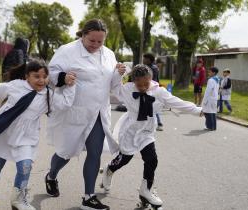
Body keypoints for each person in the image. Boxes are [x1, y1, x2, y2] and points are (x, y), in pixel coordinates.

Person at [44, 19, 126, 210]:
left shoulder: (109, 54)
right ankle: (51, 175)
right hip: (76, 111)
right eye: (92, 41)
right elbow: (50, 74)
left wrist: (119, 73)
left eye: (100, 41)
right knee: (66, 152)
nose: (96, 45)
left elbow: (111, 84)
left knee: (95, 152)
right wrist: (63, 77)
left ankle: (89, 197)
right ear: (83, 35)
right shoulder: (67, 51)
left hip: (98, 112)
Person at [0, 60, 76, 210]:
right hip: (6, 131)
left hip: (26, 137)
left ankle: (18, 199)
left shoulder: (48, 94)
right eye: (36, 76)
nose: (41, 80)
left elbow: (66, 103)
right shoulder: (16, 86)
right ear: (27, 76)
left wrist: (71, 86)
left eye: (44, 76)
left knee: (25, 166)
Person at [100, 64, 202, 208]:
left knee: (152, 159)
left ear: (151, 79)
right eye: (139, 84)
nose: (142, 87)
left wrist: (197, 110)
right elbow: (114, 87)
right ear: (133, 81)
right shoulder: (127, 89)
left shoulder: (159, 92)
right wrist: (118, 74)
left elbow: (176, 102)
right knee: (125, 159)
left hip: (146, 132)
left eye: (145, 84)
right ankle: (109, 169)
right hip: (130, 131)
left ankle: (146, 190)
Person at [143, 53, 163, 131]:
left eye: (144, 58)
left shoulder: (153, 68)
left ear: (148, 59)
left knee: (153, 107)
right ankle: (147, 124)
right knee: (149, 107)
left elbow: (152, 80)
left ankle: (159, 123)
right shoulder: (147, 67)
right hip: (148, 89)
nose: (143, 60)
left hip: (152, 89)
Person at [202, 67, 219, 131]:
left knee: (208, 112)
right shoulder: (217, 79)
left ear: (213, 72)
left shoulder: (211, 80)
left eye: (210, 72)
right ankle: (213, 127)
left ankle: (209, 126)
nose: (208, 73)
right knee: (213, 112)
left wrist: (204, 99)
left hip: (210, 98)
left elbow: (208, 91)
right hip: (214, 98)